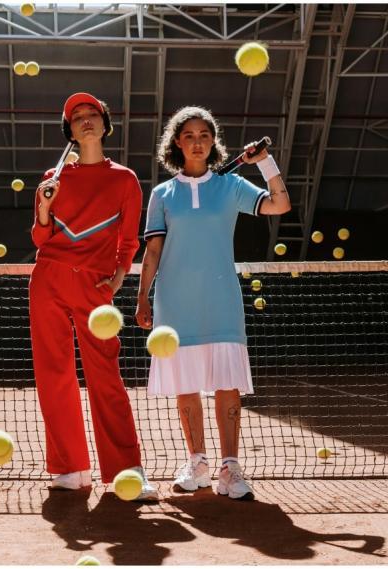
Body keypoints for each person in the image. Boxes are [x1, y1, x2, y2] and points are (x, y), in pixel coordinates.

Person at [135, 106, 291, 500]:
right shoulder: (161, 194)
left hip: (221, 300)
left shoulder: (231, 185)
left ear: (213, 142)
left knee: (227, 384)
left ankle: (230, 469)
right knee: (185, 386)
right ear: (177, 143)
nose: (197, 141)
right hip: (174, 303)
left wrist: (265, 162)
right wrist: (142, 299)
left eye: (204, 134)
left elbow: (279, 204)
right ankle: (197, 463)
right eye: (189, 135)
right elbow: (153, 252)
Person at [29, 92, 157, 501]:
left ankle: (127, 472)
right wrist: (44, 206)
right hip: (49, 279)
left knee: (105, 375)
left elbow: (128, 241)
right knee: (53, 374)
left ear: (105, 124)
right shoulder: (52, 179)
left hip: (94, 285)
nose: (85, 120)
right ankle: (71, 468)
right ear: (69, 129)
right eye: (77, 117)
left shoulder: (124, 179)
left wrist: (116, 281)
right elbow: (40, 237)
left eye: (92, 114)